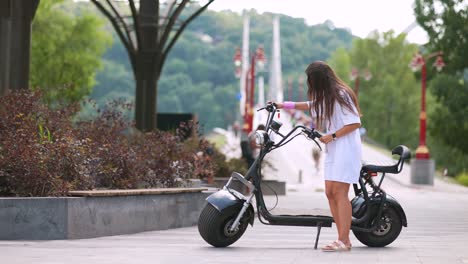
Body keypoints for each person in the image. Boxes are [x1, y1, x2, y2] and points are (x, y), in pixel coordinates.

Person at [274, 61, 362, 252]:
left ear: (319, 79)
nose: (309, 84)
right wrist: (283, 105)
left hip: (345, 148)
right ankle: (341, 238)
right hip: (334, 148)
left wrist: (333, 135)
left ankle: (344, 240)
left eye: (311, 80)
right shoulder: (328, 96)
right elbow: (309, 105)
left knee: (340, 193)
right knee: (329, 192)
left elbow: (355, 123)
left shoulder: (341, 94)